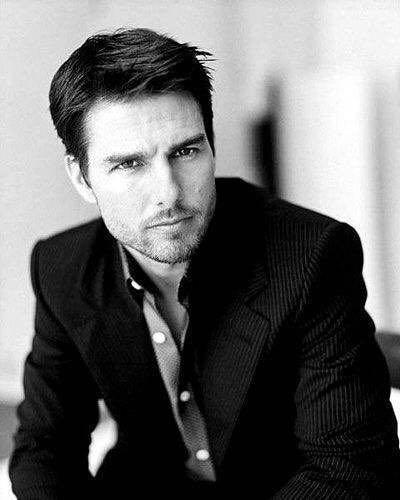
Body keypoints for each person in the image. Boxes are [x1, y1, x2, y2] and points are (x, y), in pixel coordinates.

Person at [9, 28, 400, 498]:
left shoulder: (311, 255)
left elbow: (347, 465)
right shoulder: (61, 268)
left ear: (211, 147)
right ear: (81, 176)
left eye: (186, 151)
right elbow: (45, 448)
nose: (169, 193)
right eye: (129, 164)